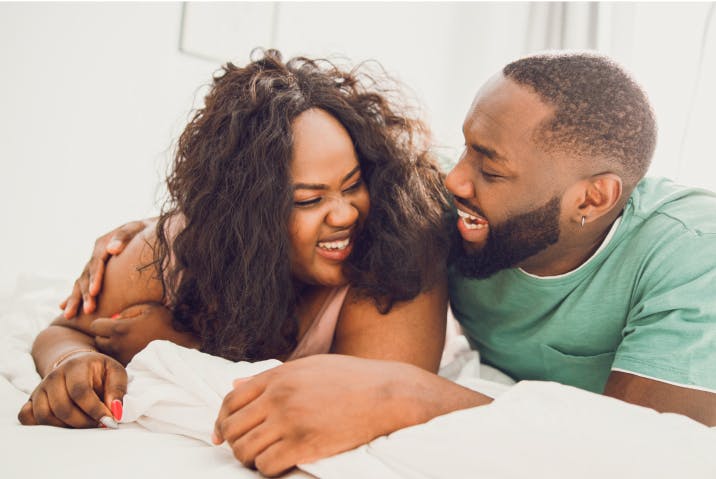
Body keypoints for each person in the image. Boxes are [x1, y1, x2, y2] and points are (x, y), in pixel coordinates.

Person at [60, 52, 716, 476]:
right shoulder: (458, 199)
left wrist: (408, 392)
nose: (452, 179)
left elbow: (644, 450)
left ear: (593, 198)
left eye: (487, 167)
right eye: (465, 149)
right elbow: (268, 191)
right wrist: (160, 232)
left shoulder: (690, 252)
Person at [17, 49, 453, 430]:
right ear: (249, 217)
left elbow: (361, 406)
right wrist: (72, 363)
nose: (345, 214)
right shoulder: (173, 250)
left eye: (353, 183)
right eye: (308, 200)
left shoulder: (394, 260)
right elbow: (64, 331)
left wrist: (184, 348)